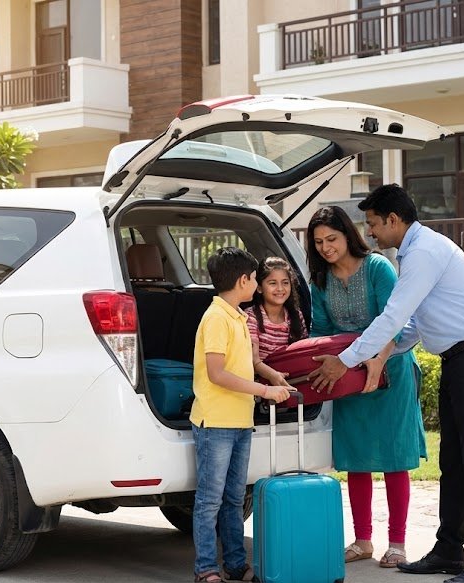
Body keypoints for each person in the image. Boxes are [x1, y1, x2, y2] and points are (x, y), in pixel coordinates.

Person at [309, 185, 464, 583]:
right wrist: (380, 356)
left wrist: (345, 361)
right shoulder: (414, 252)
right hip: (457, 361)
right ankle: (450, 550)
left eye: (374, 224)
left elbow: (393, 316)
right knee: (453, 463)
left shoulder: (422, 252)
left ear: (394, 221)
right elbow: (410, 328)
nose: (371, 234)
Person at [304, 206, 427, 569]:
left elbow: (395, 320)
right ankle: (362, 540)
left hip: (392, 372)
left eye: (332, 239)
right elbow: (320, 333)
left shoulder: (377, 267)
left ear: (348, 235)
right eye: (318, 242)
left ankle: (398, 544)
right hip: (347, 377)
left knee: (393, 459)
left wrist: (373, 359)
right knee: (356, 459)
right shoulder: (320, 281)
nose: (326, 247)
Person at [190, 247, 291, 583]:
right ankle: (206, 569)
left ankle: (235, 564)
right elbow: (217, 373)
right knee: (210, 501)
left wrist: (272, 377)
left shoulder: (239, 316)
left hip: (240, 421)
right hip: (215, 422)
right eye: (255, 278)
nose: (258, 285)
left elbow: (246, 363)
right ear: (243, 280)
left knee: (234, 498)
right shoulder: (216, 318)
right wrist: (263, 391)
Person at [245, 256, 307, 384]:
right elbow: (252, 360)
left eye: (285, 282)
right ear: (259, 287)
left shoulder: (296, 315)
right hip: (261, 388)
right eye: (272, 283)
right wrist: (273, 376)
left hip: (293, 383)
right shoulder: (251, 317)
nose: (280, 288)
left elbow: (303, 352)